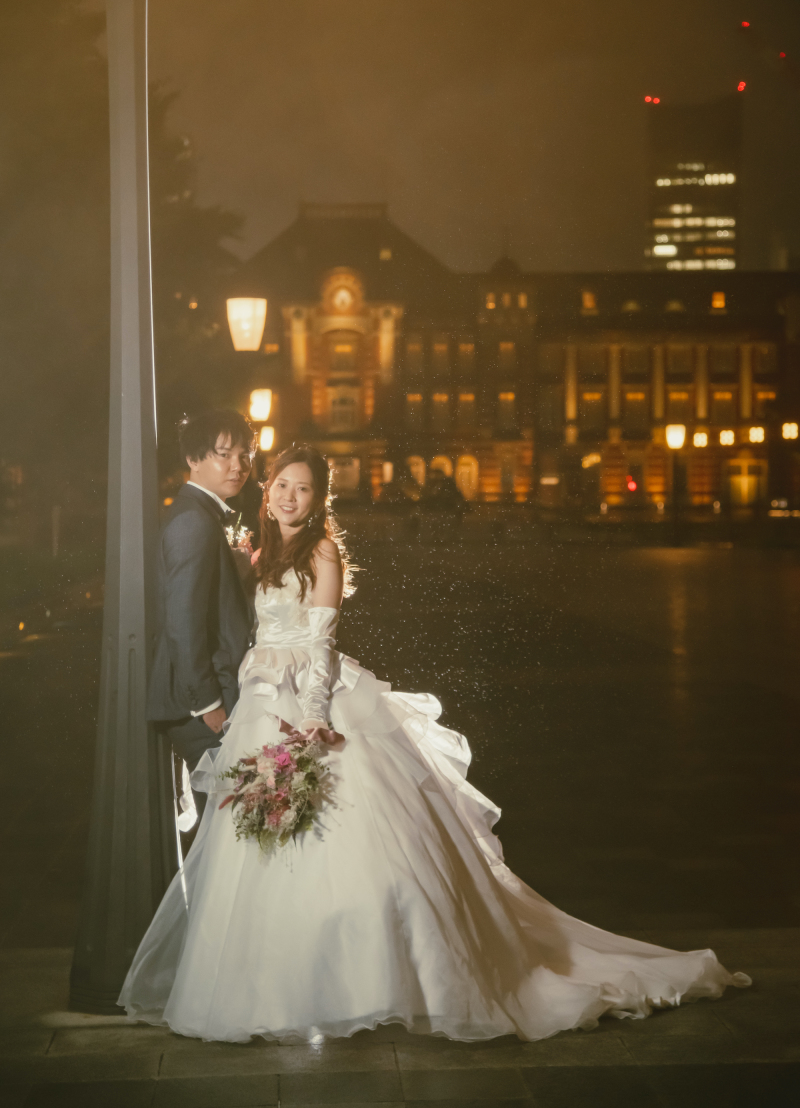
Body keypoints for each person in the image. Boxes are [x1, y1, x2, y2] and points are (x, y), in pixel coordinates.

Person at [121, 444, 749, 1043]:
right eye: (281, 484)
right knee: (256, 844)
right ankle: (261, 979)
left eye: (302, 489)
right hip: (258, 701)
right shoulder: (258, 551)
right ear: (268, 488)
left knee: (346, 837)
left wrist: (312, 719)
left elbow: (319, 646)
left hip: (305, 700)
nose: (289, 495)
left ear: (317, 500)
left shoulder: (322, 554)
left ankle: (373, 981)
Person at [148, 410, 256, 817]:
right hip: (203, 704)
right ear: (194, 459)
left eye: (245, 455)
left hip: (212, 695)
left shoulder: (202, 514)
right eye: (223, 454)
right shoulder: (193, 520)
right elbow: (183, 621)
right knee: (231, 827)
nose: (238, 466)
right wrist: (208, 703)